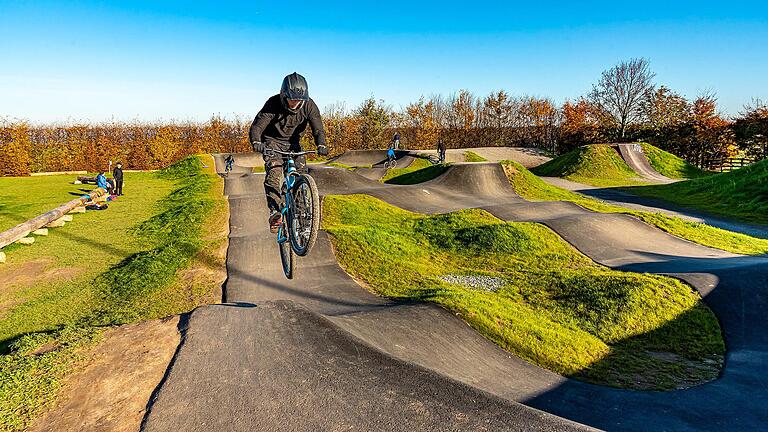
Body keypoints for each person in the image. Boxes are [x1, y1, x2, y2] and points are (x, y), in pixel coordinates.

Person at [249, 72, 328, 233]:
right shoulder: (273, 104)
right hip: (272, 142)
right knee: (274, 173)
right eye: (292, 99)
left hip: (294, 144)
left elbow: (318, 129)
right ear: (284, 95)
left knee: (301, 177)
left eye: (299, 100)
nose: (296, 103)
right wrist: (257, 141)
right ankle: (275, 212)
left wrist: (321, 144)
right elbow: (257, 126)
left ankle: (303, 220)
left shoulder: (309, 106)